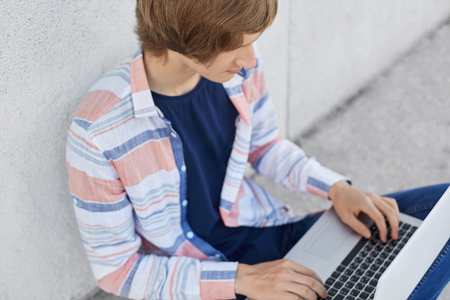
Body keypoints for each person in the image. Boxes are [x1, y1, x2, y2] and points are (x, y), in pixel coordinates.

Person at [65, 0, 450, 299]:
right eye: (237, 47)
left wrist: (337, 189)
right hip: (217, 281)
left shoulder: (234, 70)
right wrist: (246, 278)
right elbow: (119, 271)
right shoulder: (99, 131)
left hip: (280, 231)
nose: (249, 60)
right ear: (185, 42)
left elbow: (265, 147)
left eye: (252, 43)